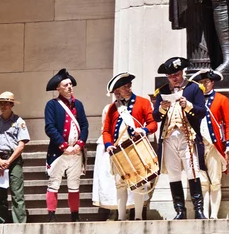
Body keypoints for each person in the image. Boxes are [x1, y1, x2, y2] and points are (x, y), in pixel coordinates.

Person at [153, 57, 206, 219]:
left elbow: (202, 111)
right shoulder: (162, 91)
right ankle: (180, 211)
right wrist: (162, 108)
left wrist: (188, 105)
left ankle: (198, 210)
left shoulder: (194, 88)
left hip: (187, 136)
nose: (173, 78)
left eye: (176, 74)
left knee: (193, 171)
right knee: (174, 174)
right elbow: (155, 117)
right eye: (170, 76)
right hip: (168, 138)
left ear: (182, 72)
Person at [102, 72, 157, 221]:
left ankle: (138, 217)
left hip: (136, 148)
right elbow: (106, 131)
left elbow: (153, 124)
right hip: (118, 149)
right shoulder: (113, 108)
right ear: (117, 91)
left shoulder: (143, 102)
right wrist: (108, 144)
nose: (128, 88)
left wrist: (144, 130)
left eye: (129, 85)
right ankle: (121, 218)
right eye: (124, 87)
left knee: (139, 183)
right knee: (120, 184)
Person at [190, 69, 229, 219]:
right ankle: (203, 213)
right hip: (197, 144)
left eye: (206, 82)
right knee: (202, 182)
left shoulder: (222, 99)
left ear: (212, 82)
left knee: (215, 181)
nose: (204, 85)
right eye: (201, 82)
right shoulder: (193, 101)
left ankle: (214, 215)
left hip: (214, 145)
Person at [44, 68, 88, 222]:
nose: (70, 87)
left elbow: (84, 126)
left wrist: (79, 145)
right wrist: (64, 146)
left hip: (76, 152)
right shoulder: (52, 105)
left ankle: (75, 215)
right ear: (58, 88)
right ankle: (51, 215)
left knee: (74, 185)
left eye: (71, 84)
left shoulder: (79, 105)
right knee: (54, 183)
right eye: (66, 85)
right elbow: (50, 127)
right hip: (59, 152)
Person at [92, 90, 134, 219]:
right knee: (111, 180)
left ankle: (128, 210)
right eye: (115, 92)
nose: (117, 94)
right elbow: (105, 128)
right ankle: (113, 210)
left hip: (128, 145)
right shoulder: (109, 108)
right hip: (112, 147)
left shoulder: (132, 105)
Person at [0, 91, 30, 224]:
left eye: (6, 103)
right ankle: (0, 222)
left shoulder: (19, 122)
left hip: (14, 159)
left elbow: (21, 145)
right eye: (1, 103)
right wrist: (0, 161)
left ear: (11, 105)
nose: (3, 106)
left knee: (17, 194)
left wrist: (8, 161)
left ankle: (19, 225)